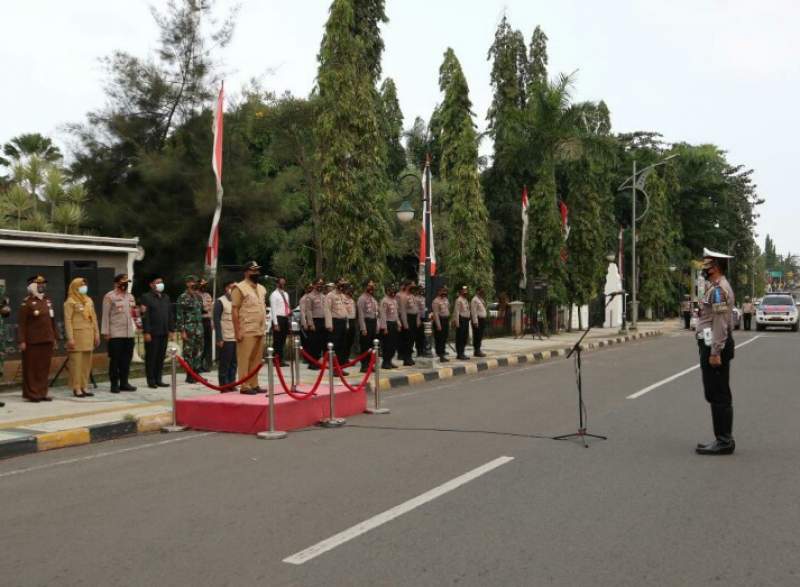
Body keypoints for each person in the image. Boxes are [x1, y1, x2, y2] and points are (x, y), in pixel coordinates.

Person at [695, 248, 737, 456]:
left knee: (719, 393)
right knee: (714, 392)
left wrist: (715, 351)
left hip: (715, 346)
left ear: (716, 267)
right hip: (712, 344)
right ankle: (721, 438)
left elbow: (720, 322)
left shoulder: (720, 290)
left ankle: (724, 440)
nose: (704, 268)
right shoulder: (715, 288)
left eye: (707, 265)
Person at [18, 275, 57, 402]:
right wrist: (22, 340)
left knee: (43, 368)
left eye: (43, 284)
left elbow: (52, 320)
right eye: (38, 284)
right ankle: (32, 393)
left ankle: (42, 392)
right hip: (32, 341)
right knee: (31, 368)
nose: (42, 286)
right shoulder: (27, 302)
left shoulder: (47, 300)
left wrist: (54, 337)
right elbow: (22, 323)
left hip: (47, 339)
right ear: (31, 286)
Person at [231, 261, 268, 395]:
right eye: (253, 270)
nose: (256, 273)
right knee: (244, 358)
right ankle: (244, 385)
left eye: (257, 270)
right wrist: (237, 331)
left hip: (259, 328)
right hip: (246, 329)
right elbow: (234, 310)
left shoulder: (262, 288)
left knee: (257, 359)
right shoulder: (239, 288)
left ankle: (254, 383)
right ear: (246, 272)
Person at [101, 273, 138, 393]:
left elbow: (134, 314)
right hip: (115, 333)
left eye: (127, 282)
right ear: (116, 283)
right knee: (115, 360)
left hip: (129, 334)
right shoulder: (109, 296)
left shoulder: (130, 296)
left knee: (126, 360)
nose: (125, 285)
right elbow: (105, 316)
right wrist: (106, 332)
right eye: (123, 282)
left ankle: (124, 383)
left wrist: (138, 326)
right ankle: (114, 384)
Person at [63, 278, 100, 398]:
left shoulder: (89, 300)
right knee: (76, 364)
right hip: (77, 336)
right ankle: (76, 388)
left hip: (89, 335)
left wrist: (96, 334)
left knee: (86, 363)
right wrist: (70, 338)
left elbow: (93, 318)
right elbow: (68, 321)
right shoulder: (70, 301)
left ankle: (85, 386)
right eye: (81, 285)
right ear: (75, 287)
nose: (84, 287)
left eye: (85, 284)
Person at [140, 276, 175, 389]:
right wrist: (146, 332)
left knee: (160, 357)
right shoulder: (146, 297)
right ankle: (151, 380)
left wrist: (171, 329)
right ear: (151, 284)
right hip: (152, 333)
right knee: (151, 357)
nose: (161, 284)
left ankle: (159, 379)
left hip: (164, 332)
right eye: (158, 282)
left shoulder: (166, 297)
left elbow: (170, 314)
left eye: (161, 282)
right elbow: (145, 316)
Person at [175, 275, 205, 384]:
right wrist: (182, 331)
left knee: (199, 351)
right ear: (187, 283)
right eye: (192, 282)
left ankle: (196, 374)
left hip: (199, 328)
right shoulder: (182, 297)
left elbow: (201, 312)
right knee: (188, 353)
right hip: (188, 328)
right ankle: (189, 375)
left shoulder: (198, 297)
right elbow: (179, 315)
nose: (195, 284)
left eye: (196, 282)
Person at [213, 280, 238, 388]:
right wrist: (219, 338)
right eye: (232, 287)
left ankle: (232, 383)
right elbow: (216, 321)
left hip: (236, 337)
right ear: (226, 288)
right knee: (225, 363)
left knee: (234, 363)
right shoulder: (220, 301)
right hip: (226, 337)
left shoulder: (237, 301)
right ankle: (223, 385)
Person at [325, 279, 350, 375]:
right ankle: (334, 369)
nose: (342, 286)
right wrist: (329, 324)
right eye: (341, 284)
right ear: (336, 284)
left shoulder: (343, 296)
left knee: (342, 346)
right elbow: (327, 310)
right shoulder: (330, 295)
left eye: (344, 284)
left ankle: (340, 368)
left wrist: (347, 323)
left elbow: (345, 311)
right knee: (335, 346)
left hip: (343, 322)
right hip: (335, 323)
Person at [357, 280, 379, 373]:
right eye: (370, 285)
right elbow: (361, 314)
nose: (372, 287)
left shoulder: (373, 299)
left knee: (371, 345)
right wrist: (363, 328)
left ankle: (370, 364)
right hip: (366, 323)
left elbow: (376, 313)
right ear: (365, 286)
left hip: (373, 322)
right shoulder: (362, 298)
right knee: (365, 345)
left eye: (372, 285)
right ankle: (364, 366)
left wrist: (377, 325)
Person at [269, 277, 291, 366]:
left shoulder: (285, 294)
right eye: (281, 283)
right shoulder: (274, 294)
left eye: (284, 283)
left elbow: (287, 306)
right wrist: (275, 323)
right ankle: (276, 359)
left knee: (283, 340)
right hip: (278, 318)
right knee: (277, 340)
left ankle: (281, 359)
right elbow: (273, 310)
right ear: (277, 284)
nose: (283, 285)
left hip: (285, 318)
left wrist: (289, 319)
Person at [379, 284, 400, 369]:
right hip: (388, 324)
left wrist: (398, 323)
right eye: (391, 290)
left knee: (393, 344)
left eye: (394, 290)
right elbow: (383, 315)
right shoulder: (384, 301)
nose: (393, 292)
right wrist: (384, 327)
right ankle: (385, 362)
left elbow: (396, 314)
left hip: (394, 323)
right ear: (387, 291)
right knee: (387, 344)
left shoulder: (394, 301)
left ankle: (390, 360)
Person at [306, 279, 326, 369]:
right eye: (318, 284)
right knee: (313, 343)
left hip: (323, 321)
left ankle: (318, 361)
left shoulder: (323, 296)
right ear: (314, 285)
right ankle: (312, 363)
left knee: (321, 343)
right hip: (315, 321)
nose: (320, 286)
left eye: (321, 284)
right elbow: (308, 311)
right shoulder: (310, 296)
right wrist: (311, 323)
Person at [397, 281, 416, 366]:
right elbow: (403, 311)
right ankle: (406, 358)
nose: (414, 286)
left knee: (412, 339)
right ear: (407, 286)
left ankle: (409, 357)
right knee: (407, 339)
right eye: (412, 285)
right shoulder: (403, 296)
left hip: (413, 318)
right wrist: (405, 323)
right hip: (407, 318)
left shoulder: (412, 296)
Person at [432, 286, 450, 362]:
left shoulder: (446, 299)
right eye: (442, 291)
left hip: (445, 320)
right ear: (438, 292)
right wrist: (438, 325)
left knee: (444, 337)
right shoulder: (436, 301)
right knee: (439, 338)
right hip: (440, 320)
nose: (444, 292)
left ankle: (443, 352)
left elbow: (448, 309)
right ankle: (440, 354)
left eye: (444, 291)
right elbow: (435, 314)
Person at [199, 278, 214, 373]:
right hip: (199, 321)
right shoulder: (195, 295)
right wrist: (204, 307)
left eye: (205, 284)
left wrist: (212, 322)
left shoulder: (208, 295)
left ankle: (203, 364)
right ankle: (197, 365)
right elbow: (202, 308)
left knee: (207, 344)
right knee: (200, 344)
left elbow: (210, 309)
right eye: (202, 284)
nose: (204, 286)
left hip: (207, 321)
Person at [453, 285, 471, 360]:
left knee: (464, 337)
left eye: (466, 291)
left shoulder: (465, 300)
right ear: (460, 291)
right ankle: (459, 354)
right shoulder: (459, 300)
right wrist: (457, 323)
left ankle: (462, 352)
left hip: (466, 320)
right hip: (461, 320)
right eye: (464, 291)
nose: (465, 292)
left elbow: (467, 310)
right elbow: (456, 312)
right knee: (460, 337)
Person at [0, 280, 10, 407]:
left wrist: (5, 309)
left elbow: (6, 314)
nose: (2, 289)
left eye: (2, 287)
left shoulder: (4, 299)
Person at [413, 285, 430, 357]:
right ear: (417, 290)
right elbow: (416, 310)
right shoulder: (416, 299)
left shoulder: (423, 298)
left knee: (424, 335)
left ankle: (424, 349)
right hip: (418, 318)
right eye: (420, 289)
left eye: (423, 289)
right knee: (418, 336)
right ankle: (419, 351)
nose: (422, 291)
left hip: (424, 318)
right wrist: (418, 320)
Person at [471, 287, 488, 358]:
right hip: (478, 320)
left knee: (480, 335)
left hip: (482, 320)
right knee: (477, 335)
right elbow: (474, 311)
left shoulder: (480, 299)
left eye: (483, 291)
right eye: (480, 291)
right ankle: (477, 350)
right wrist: (475, 322)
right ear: (477, 291)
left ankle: (478, 350)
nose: (482, 292)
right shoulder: (475, 300)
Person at [298, 283, 313, 362]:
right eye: (309, 288)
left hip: (311, 321)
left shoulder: (311, 298)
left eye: (312, 288)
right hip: (305, 322)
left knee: (311, 341)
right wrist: (304, 323)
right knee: (305, 341)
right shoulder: (303, 299)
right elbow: (303, 312)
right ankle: (306, 358)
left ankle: (311, 357)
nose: (311, 289)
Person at [343, 283, 357, 362]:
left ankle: (347, 357)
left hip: (352, 321)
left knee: (350, 341)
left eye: (352, 290)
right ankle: (343, 358)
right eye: (349, 289)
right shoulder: (343, 299)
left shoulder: (352, 300)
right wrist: (347, 323)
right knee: (345, 341)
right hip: (346, 321)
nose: (351, 291)